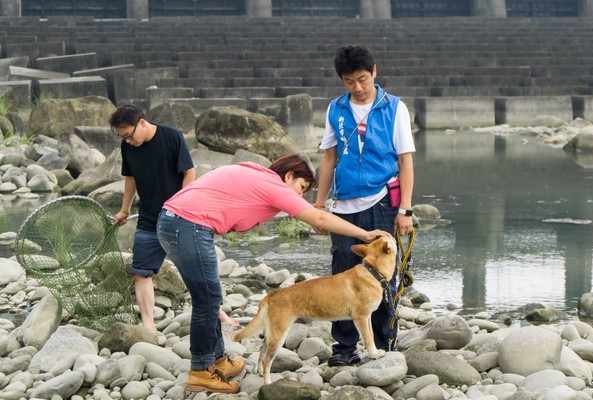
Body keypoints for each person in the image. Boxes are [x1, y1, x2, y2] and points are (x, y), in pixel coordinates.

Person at [156, 154, 391, 394]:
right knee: (207, 299)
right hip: (186, 225)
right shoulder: (272, 185)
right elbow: (318, 216)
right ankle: (200, 371)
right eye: (301, 188)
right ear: (289, 176)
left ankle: (217, 361)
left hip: (179, 222)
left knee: (211, 295)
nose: (298, 197)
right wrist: (364, 234)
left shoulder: (258, 176)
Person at [313, 45, 416, 367]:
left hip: (382, 201)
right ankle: (345, 348)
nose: (357, 88)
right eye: (348, 82)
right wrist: (318, 205)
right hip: (344, 205)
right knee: (342, 276)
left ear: (374, 72)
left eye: (361, 79)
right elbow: (329, 157)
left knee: (383, 277)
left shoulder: (394, 108)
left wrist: (406, 211)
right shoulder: (336, 109)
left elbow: (406, 160)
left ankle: (384, 345)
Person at [110, 104, 195, 332]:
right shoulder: (127, 146)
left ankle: (218, 314)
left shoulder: (172, 137)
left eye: (129, 135)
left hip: (179, 216)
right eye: (123, 137)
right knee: (141, 272)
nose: (128, 141)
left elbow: (189, 172)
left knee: (195, 270)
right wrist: (124, 210)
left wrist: (181, 207)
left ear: (142, 122)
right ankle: (148, 326)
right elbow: (130, 179)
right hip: (148, 218)